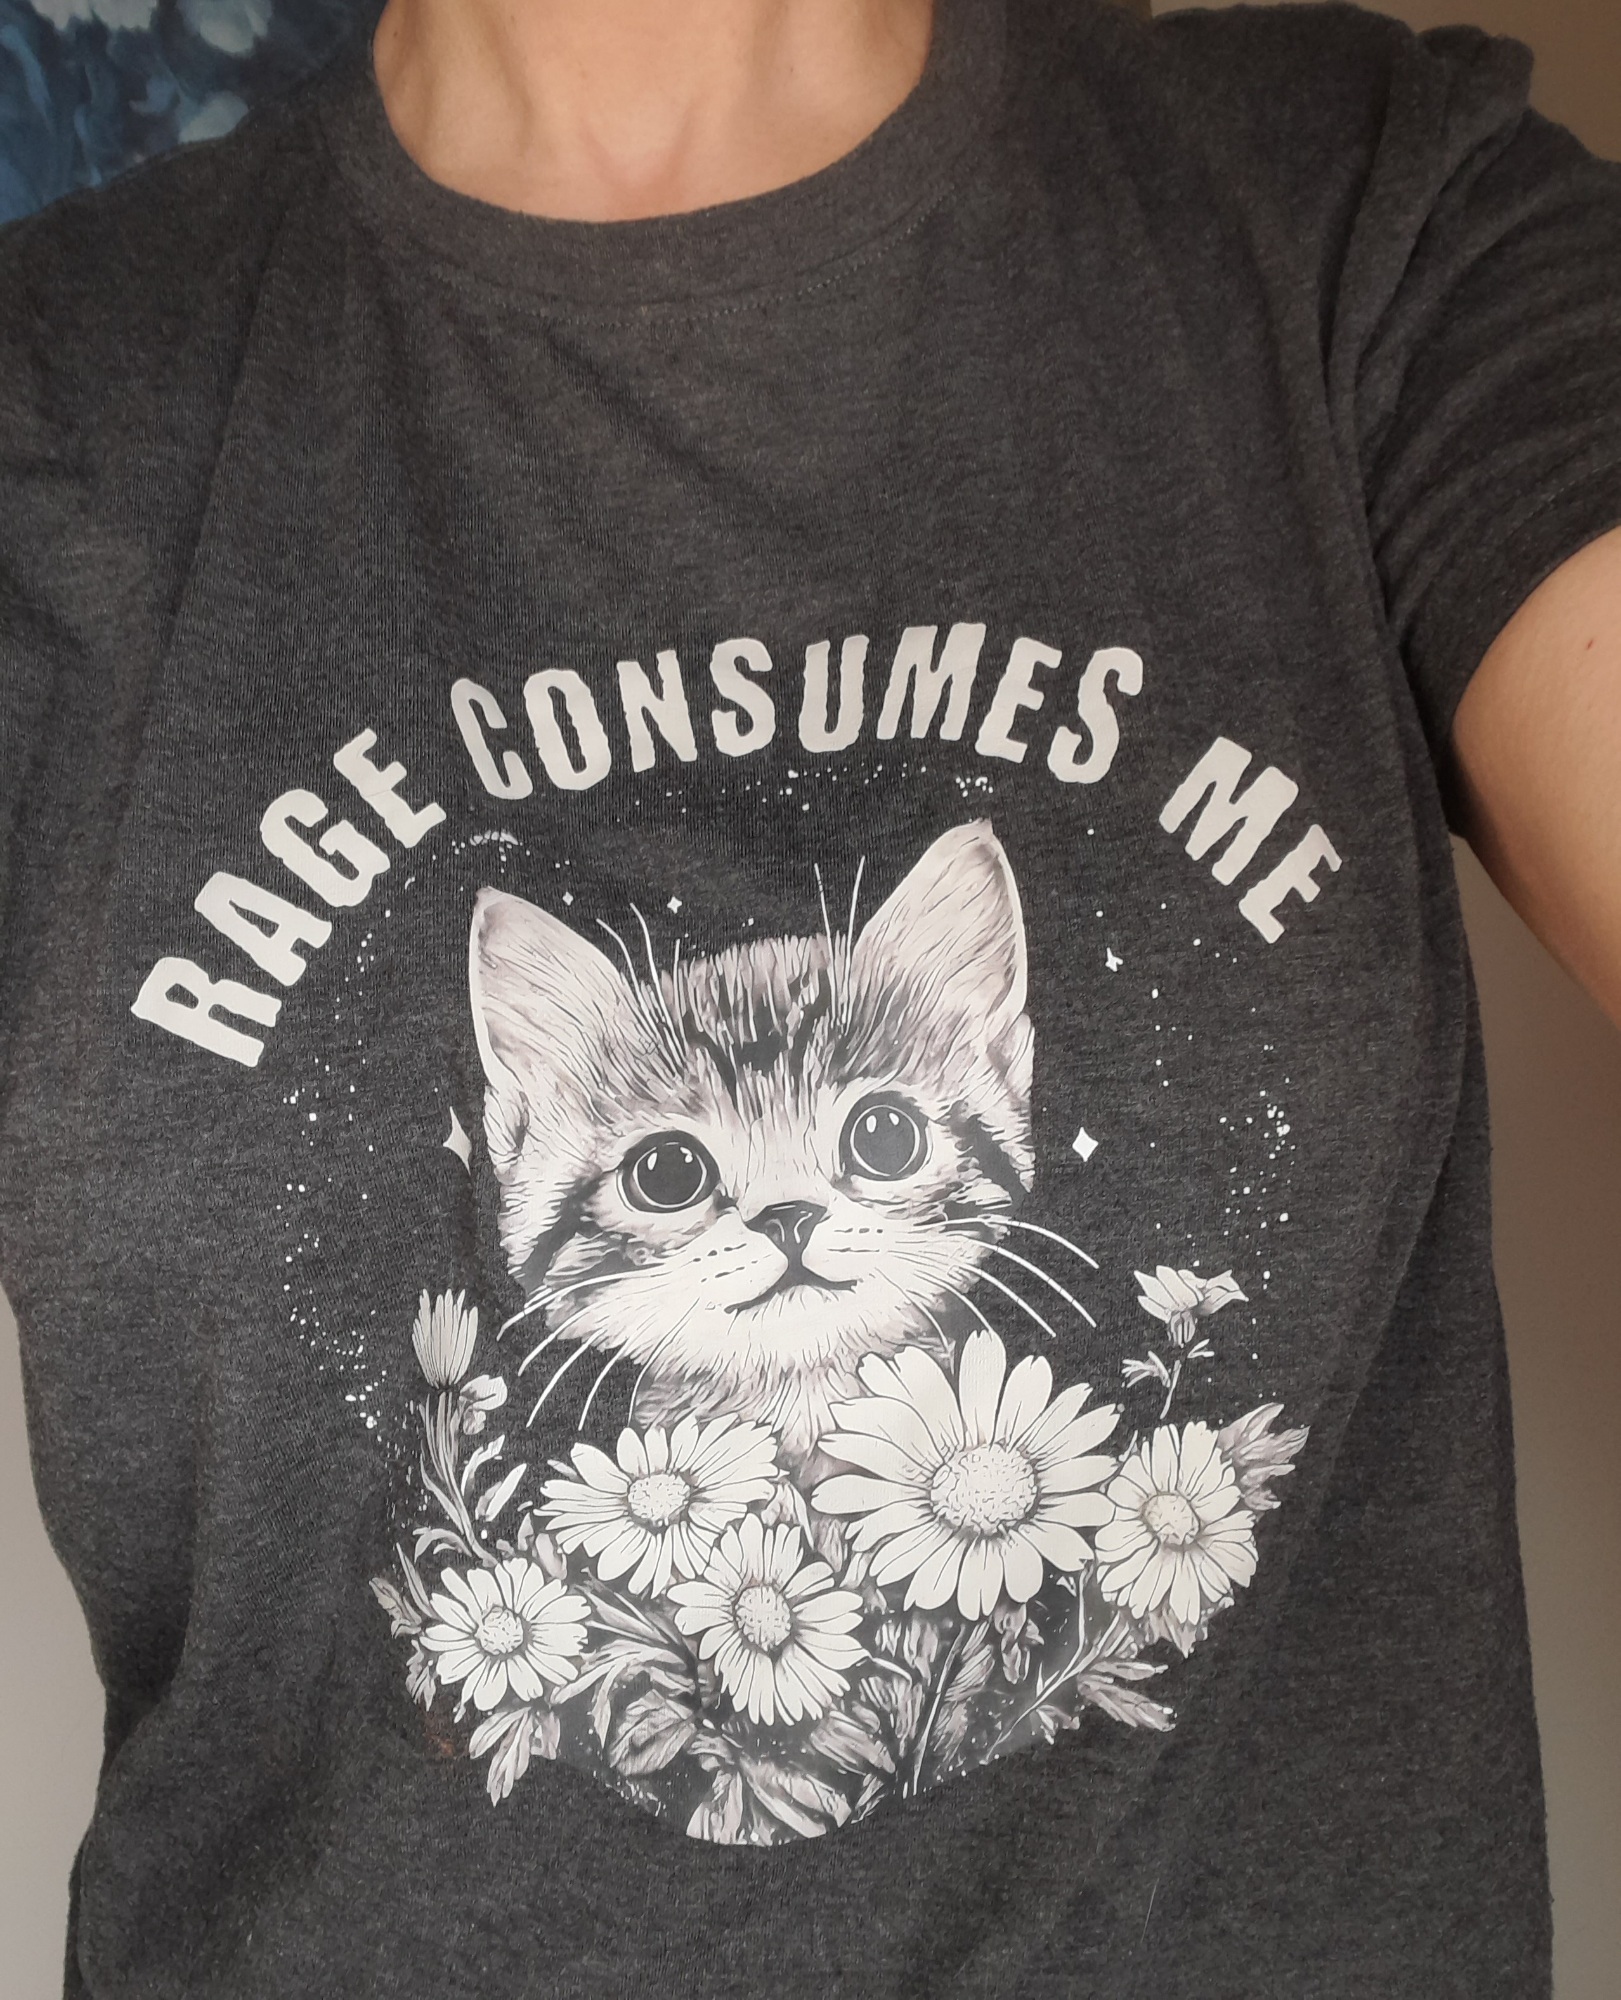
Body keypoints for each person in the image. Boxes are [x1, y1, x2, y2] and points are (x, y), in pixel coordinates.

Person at [1, 0, 1617, 1992]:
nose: (778, 1220)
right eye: (678, 1169)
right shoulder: (51, 391)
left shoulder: (1351, 207)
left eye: (869, 1132)